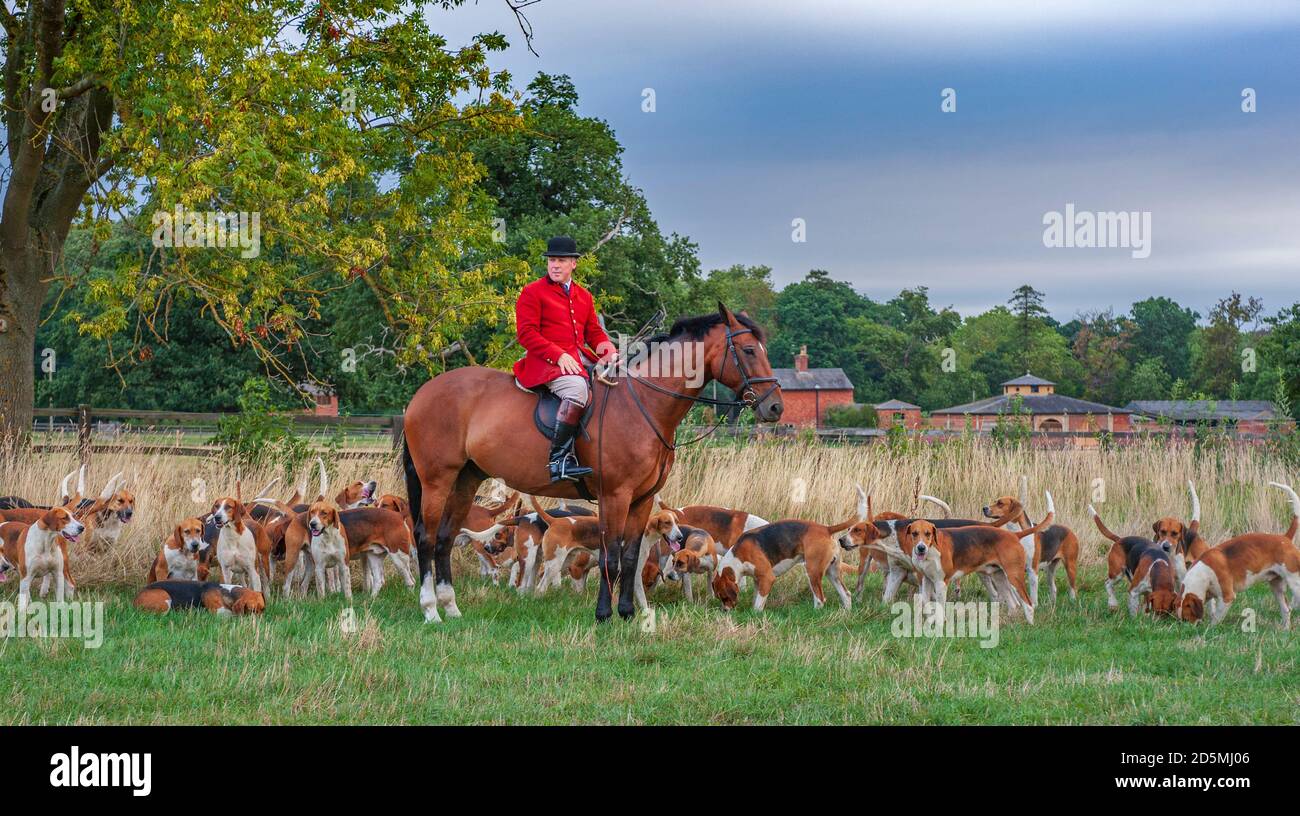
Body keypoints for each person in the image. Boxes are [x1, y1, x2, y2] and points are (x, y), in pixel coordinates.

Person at [512, 236, 619, 482]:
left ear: (573, 263)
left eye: (561, 260)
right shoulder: (532, 291)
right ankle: (558, 461)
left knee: (616, 381)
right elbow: (526, 334)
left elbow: (594, 332)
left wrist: (609, 352)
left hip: (578, 360)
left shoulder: (584, 296)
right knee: (577, 390)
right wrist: (558, 355)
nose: (555, 265)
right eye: (551, 260)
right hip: (544, 364)